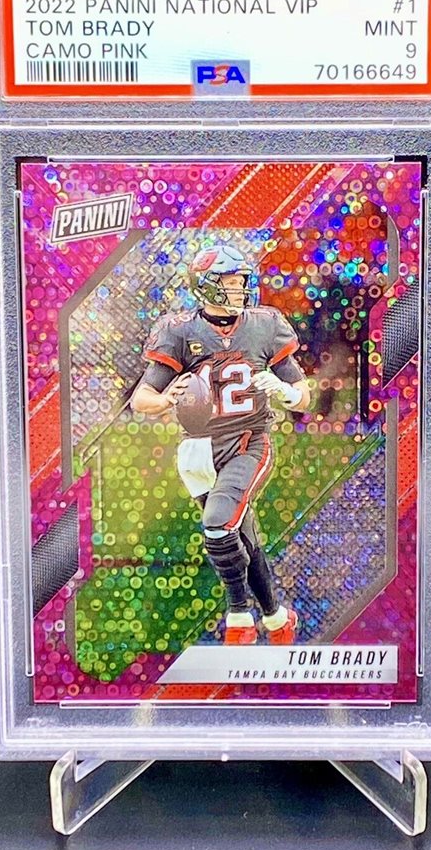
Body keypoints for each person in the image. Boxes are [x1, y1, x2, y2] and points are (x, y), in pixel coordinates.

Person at [131, 244, 310, 645]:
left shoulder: (264, 324)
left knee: (217, 523)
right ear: (207, 285)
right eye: (231, 282)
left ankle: (238, 617)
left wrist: (284, 391)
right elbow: (141, 398)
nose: (240, 289)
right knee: (240, 535)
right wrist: (165, 399)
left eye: (241, 281)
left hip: (248, 442)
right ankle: (276, 618)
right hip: (199, 450)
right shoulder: (180, 331)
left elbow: (303, 396)